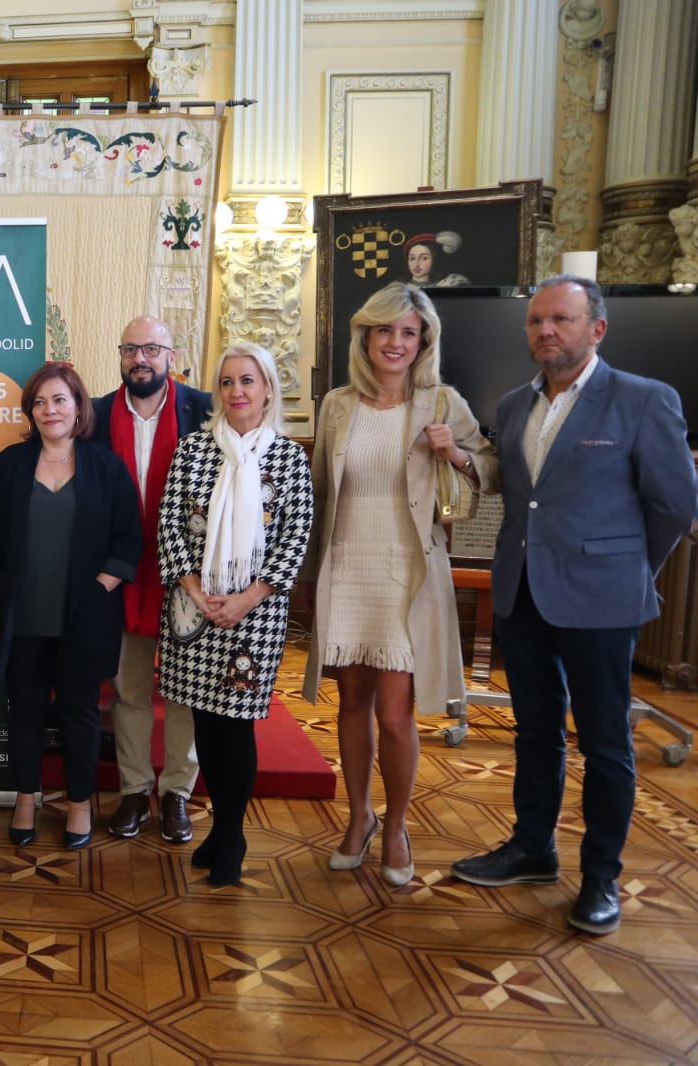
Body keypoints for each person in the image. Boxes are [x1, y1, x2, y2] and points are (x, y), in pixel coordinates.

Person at [451, 275, 698, 936]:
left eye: (561, 319)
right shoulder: (514, 405)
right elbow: (523, 498)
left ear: (597, 328)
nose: (545, 331)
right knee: (535, 732)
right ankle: (532, 849)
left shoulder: (644, 399)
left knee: (606, 743)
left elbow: (675, 504)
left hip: (602, 602)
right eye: (536, 321)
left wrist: (627, 568)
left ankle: (600, 877)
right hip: (524, 592)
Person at [301, 283, 497, 886]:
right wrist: (306, 576)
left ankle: (397, 825)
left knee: (394, 713)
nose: (396, 342)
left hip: (407, 573)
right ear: (366, 336)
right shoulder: (338, 405)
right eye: (385, 330)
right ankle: (359, 817)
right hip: (346, 566)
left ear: (423, 342)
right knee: (351, 704)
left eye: (409, 332)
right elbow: (320, 493)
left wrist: (457, 454)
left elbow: (491, 470)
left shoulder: (442, 402)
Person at [158, 342, 312, 886]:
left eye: (248, 381)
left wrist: (246, 598)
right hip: (195, 609)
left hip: (256, 612)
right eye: (227, 382)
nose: (237, 391)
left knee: (235, 724)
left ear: (268, 389)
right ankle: (221, 832)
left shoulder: (288, 458)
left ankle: (231, 833)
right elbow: (170, 524)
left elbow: (295, 539)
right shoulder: (193, 450)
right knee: (204, 720)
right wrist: (197, 592)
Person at [0, 362, 141, 850]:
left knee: (79, 713)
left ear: (78, 407)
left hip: (83, 616)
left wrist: (100, 587)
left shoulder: (105, 466)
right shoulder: (11, 463)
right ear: (31, 411)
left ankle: (80, 803)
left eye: (59, 400)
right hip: (21, 616)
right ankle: (27, 797)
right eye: (40, 402)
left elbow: (129, 537)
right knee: (24, 710)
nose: (50, 410)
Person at [91, 315, 212, 843]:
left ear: (171, 356)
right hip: (122, 571)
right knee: (130, 687)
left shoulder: (204, 410)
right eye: (130, 349)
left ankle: (177, 791)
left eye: (151, 349)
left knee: (185, 688)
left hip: (188, 574)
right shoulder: (95, 415)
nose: (140, 359)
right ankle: (135, 789)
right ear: (120, 356)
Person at [404, 232, 469, 288]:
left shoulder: (448, 284)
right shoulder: (402, 288)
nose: (416, 264)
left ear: (434, 259)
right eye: (412, 258)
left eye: (424, 258)